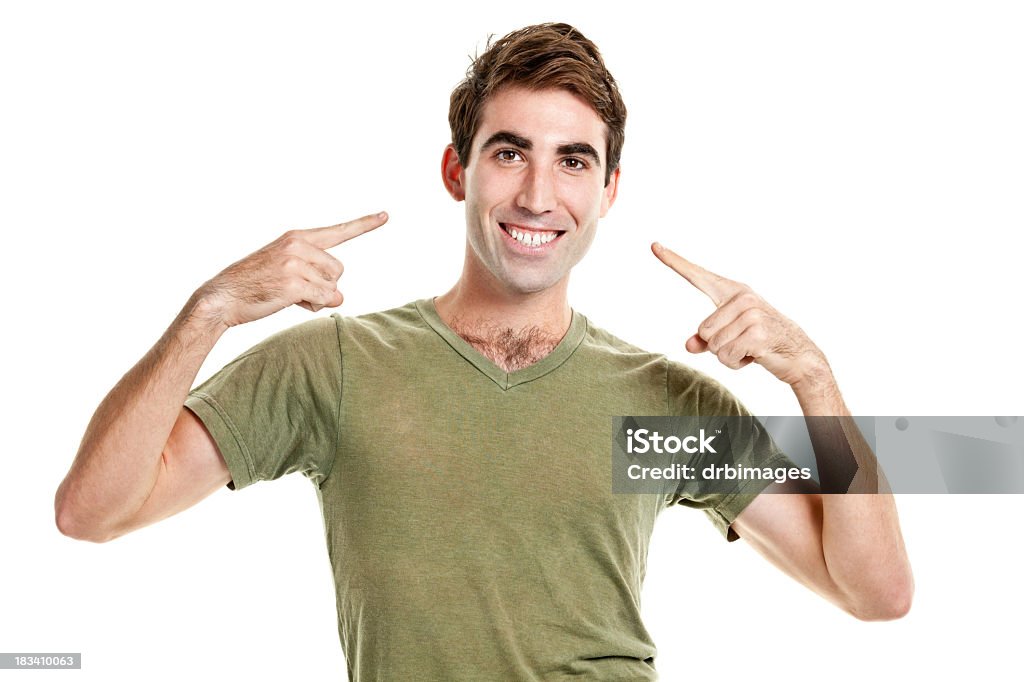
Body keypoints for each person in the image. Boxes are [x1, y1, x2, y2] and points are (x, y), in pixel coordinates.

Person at [55, 22, 913, 681]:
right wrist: (206, 313)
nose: (540, 194)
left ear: (608, 190)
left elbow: (875, 594)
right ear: (457, 169)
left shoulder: (656, 408)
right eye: (510, 153)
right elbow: (91, 512)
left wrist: (815, 378)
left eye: (574, 161)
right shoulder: (335, 368)